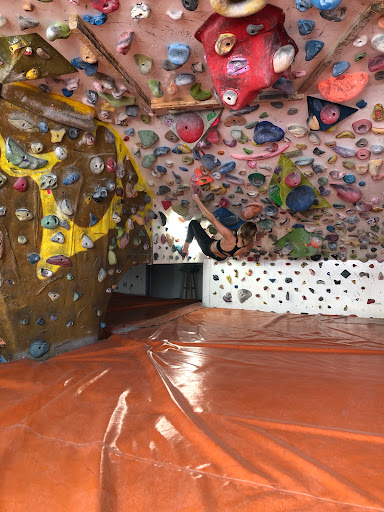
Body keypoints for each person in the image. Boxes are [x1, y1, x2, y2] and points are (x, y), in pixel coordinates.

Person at [182, 194, 258, 261]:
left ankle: (185, 248)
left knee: (193, 223)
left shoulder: (230, 236)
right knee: (219, 248)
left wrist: (198, 201)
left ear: (241, 229)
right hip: (220, 257)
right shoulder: (249, 245)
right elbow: (256, 237)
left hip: (207, 247)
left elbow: (212, 219)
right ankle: (213, 254)